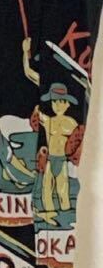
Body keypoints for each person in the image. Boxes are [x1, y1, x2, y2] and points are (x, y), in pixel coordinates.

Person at [32, 83, 84, 223]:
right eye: (54, 102)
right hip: (50, 160)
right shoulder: (49, 121)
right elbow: (37, 117)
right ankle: (49, 213)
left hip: (62, 161)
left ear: (67, 104)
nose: (58, 105)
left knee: (63, 190)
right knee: (46, 189)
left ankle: (65, 216)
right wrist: (36, 110)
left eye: (61, 102)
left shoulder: (71, 123)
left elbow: (78, 139)